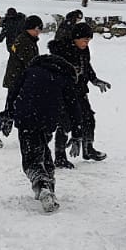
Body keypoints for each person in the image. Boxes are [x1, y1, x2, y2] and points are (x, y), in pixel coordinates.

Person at [3, 50, 83, 213]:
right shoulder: (64, 77)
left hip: (25, 117)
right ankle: (49, 184)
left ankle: (43, 185)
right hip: (47, 120)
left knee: (31, 157)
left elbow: (13, 90)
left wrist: (9, 113)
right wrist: (77, 132)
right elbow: (74, 107)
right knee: (42, 150)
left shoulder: (31, 70)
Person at [49, 22, 110, 164]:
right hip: (64, 92)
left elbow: (87, 66)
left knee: (88, 118)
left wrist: (94, 79)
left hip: (80, 90)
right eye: (85, 39)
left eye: (89, 40)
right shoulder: (62, 51)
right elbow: (56, 72)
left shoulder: (84, 50)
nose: (87, 43)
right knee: (65, 123)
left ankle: (88, 148)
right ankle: (60, 156)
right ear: (76, 38)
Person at [0, 15, 44, 149]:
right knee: (15, 107)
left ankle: (10, 126)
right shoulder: (24, 41)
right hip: (18, 80)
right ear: (30, 28)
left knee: (17, 106)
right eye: (37, 28)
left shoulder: (28, 40)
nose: (39, 31)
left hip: (19, 79)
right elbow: (30, 62)